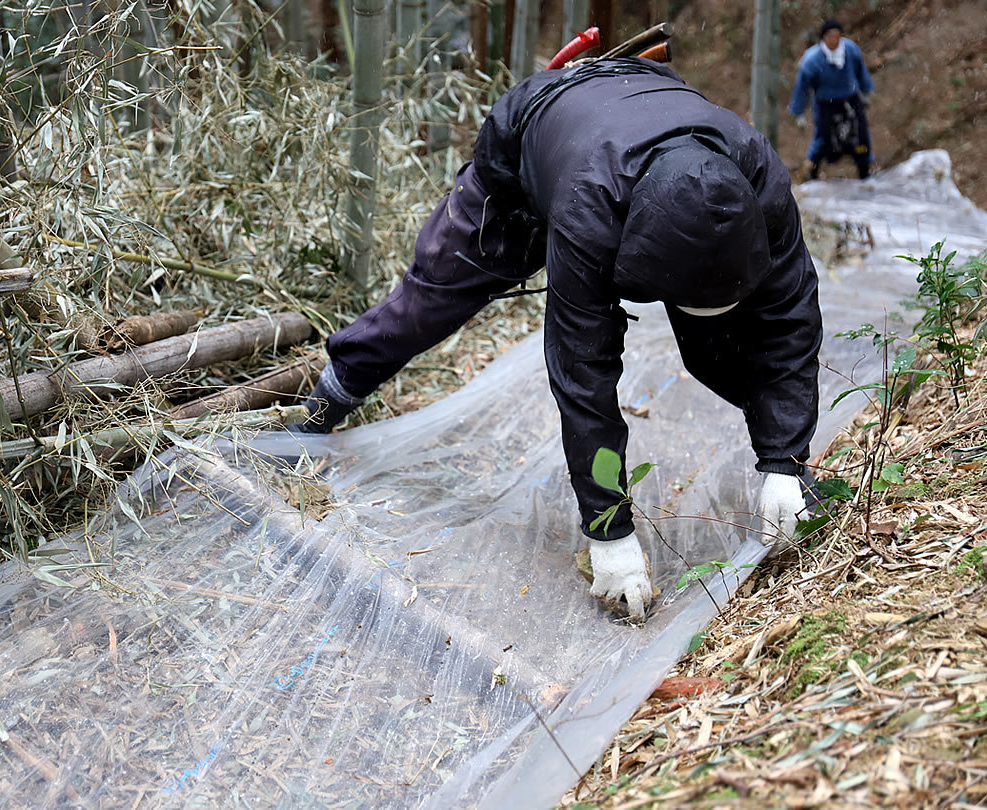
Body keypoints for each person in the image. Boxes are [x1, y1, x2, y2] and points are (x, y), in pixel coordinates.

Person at [298, 56, 822, 620]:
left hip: (640, 110)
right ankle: (333, 392)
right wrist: (609, 531)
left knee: (723, 349)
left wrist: (785, 457)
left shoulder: (759, 182)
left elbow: (790, 317)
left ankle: (783, 480)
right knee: (434, 297)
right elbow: (582, 370)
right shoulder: (590, 211)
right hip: (534, 142)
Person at [789, 19, 875, 180]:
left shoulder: (850, 49)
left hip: (851, 100)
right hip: (825, 104)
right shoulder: (811, 59)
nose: (834, 40)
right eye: (830, 36)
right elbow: (802, 87)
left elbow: (861, 71)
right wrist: (798, 111)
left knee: (860, 136)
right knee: (822, 139)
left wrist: (865, 92)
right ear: (823, 38)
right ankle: (812, 172)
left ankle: (865, 171)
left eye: (837, 36)